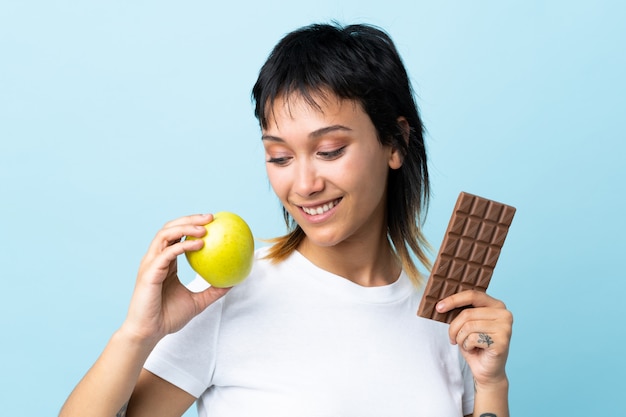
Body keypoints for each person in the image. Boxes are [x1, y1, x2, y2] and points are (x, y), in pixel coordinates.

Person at [60, 22, 513, 417]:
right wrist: (138, 335)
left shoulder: (446, 315)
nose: (304, 183)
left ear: (394, 142)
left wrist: (492, 385)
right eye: (279, 156)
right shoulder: (228, 295)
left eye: (330, 151)